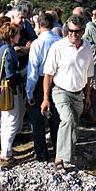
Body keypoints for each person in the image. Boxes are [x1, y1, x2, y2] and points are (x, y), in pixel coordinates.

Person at [41, 14, 94, 173]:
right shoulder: (58, 47)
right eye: (69, 30)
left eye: (76, 31)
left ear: (83, 31)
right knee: (68, 120)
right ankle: (59, 159)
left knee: (74, 126)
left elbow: (89, 73)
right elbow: (48, 74)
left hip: (78, 92)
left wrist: (88, 95)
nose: (73, 34)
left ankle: (68, 156)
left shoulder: (88, 48)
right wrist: (45, 98)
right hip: (61, 90)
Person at [26, 13, 62, 162]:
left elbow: (33, 70)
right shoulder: (61, 41)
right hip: (58, 81)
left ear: (39, 26)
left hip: (41, 81)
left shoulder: (37, 43)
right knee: (57, 118)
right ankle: (58, 150)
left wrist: (29, 92)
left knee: (37, 119)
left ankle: (41, 152)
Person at [0, 22, 24, 163]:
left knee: (5, 121)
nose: (19, 35)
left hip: (2, 89)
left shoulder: (2, 49)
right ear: (12, 36)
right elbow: (10, 75)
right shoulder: (9, 51)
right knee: (12, 121)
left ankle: (6, 148)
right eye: (17, 33)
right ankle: (6, 153)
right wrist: (23, 73)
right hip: (10, 90)